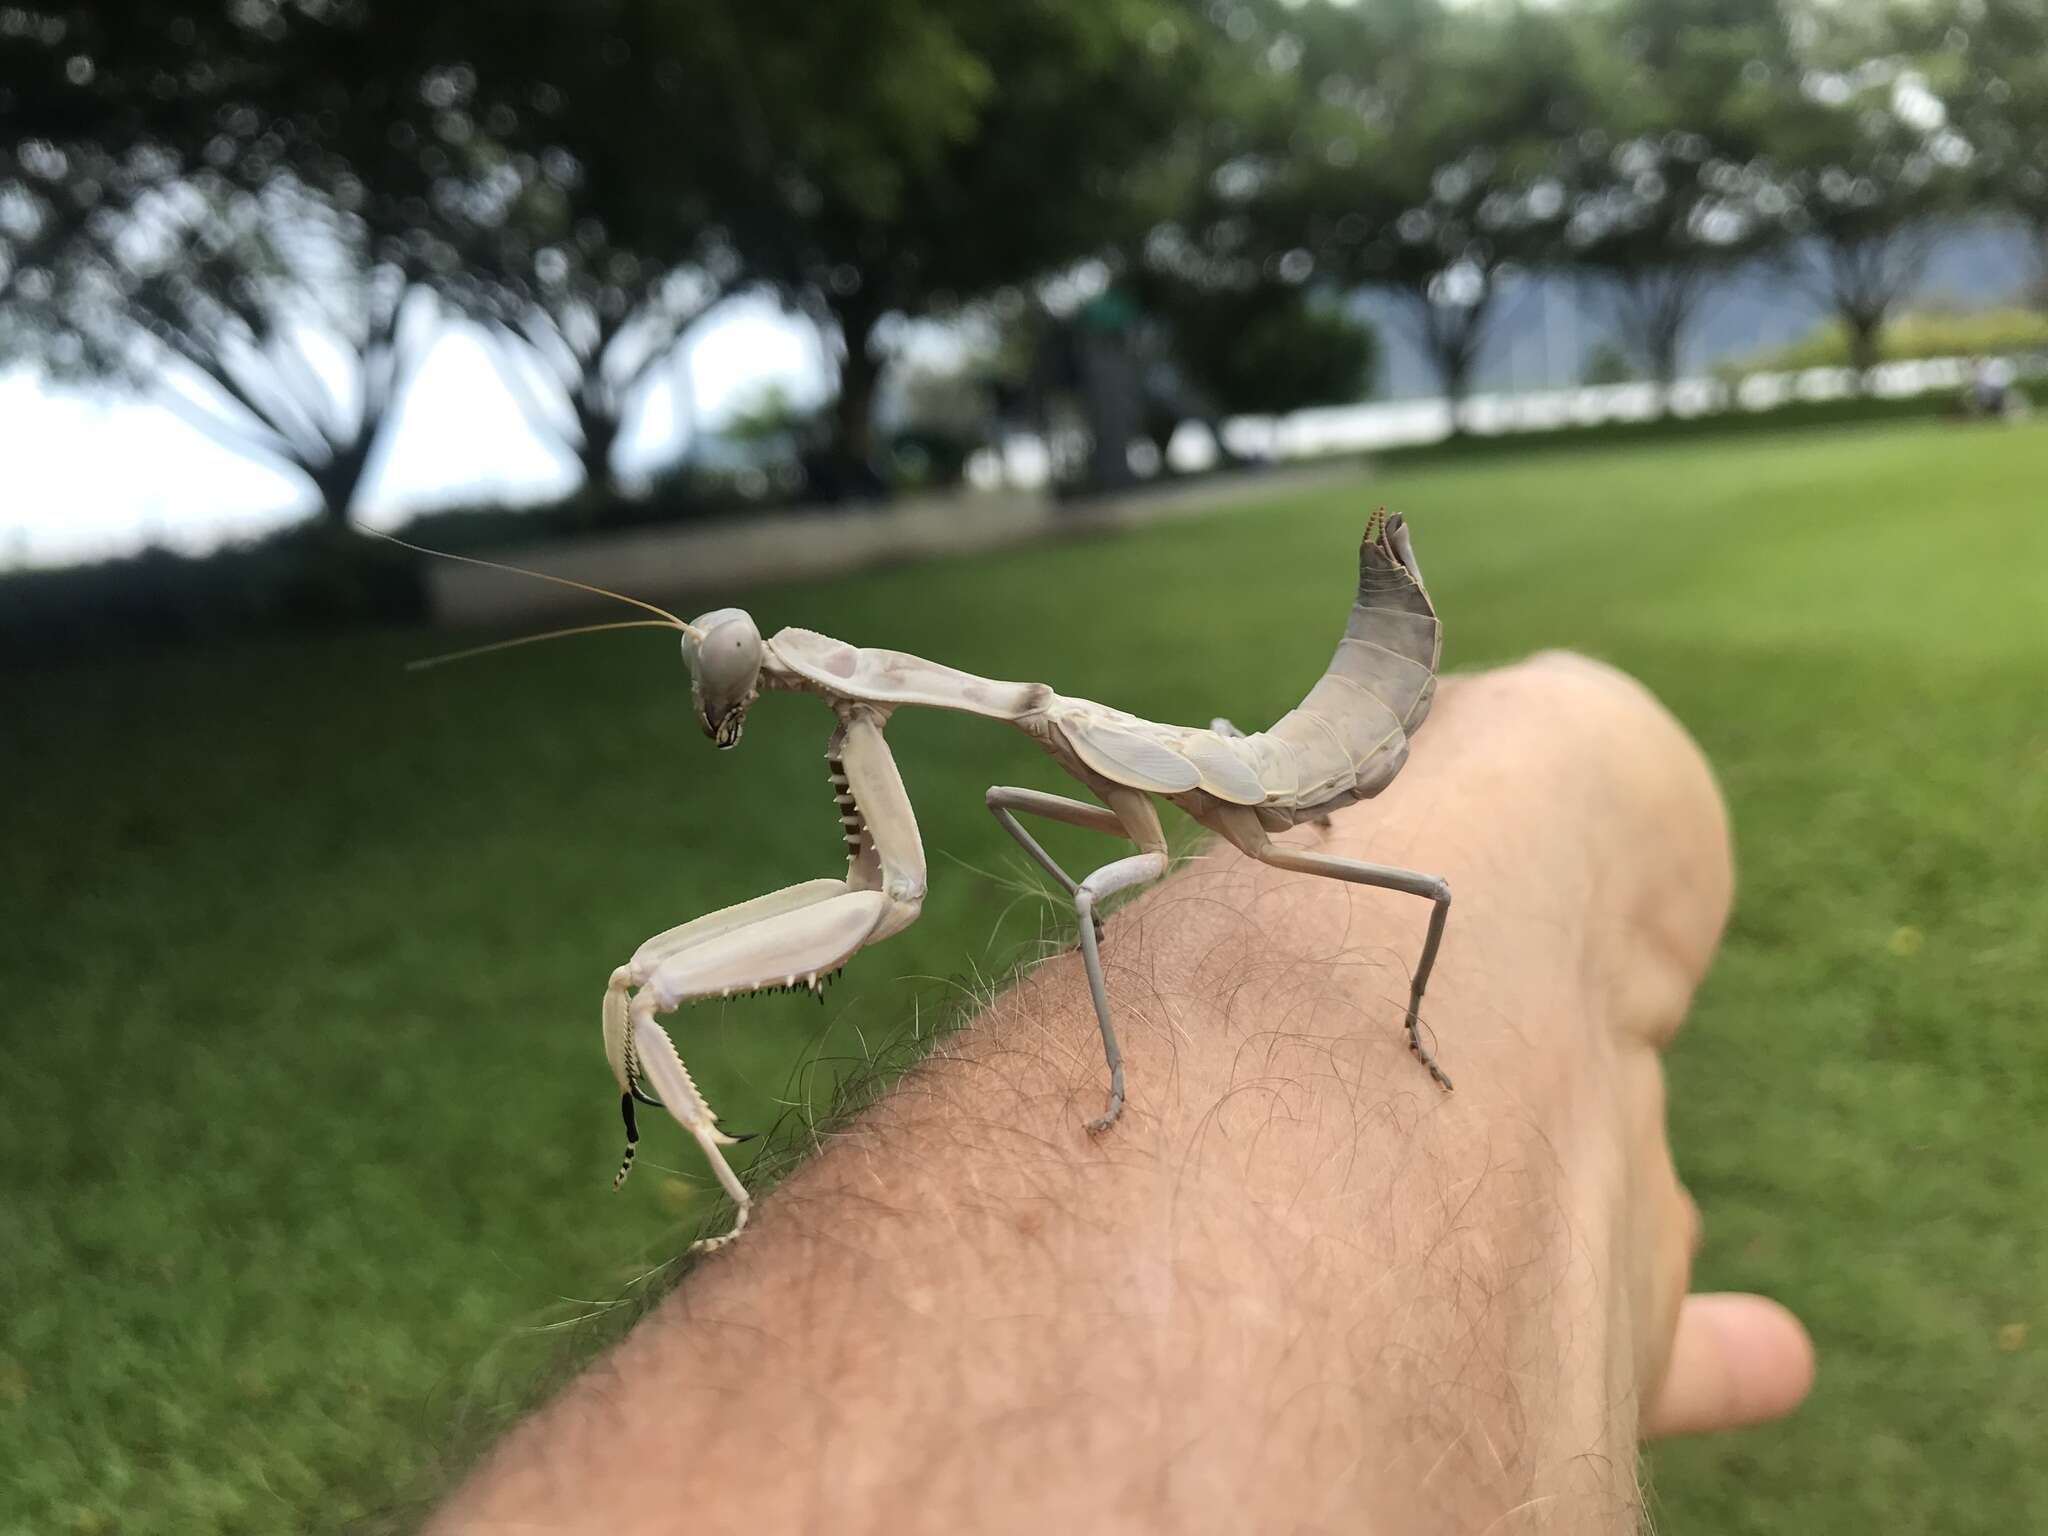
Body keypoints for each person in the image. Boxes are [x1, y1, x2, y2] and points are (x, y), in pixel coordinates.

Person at [427, 653, 1813, 1534]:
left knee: (1310, 892)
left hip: (1307, 758)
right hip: (1226, 775)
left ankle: (1244, 1048)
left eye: (737, 673)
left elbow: (891, 894)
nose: (732, 695)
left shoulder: (1038, 721)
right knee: (1033, 834)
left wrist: (1128, 1070)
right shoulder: (1011, 724)